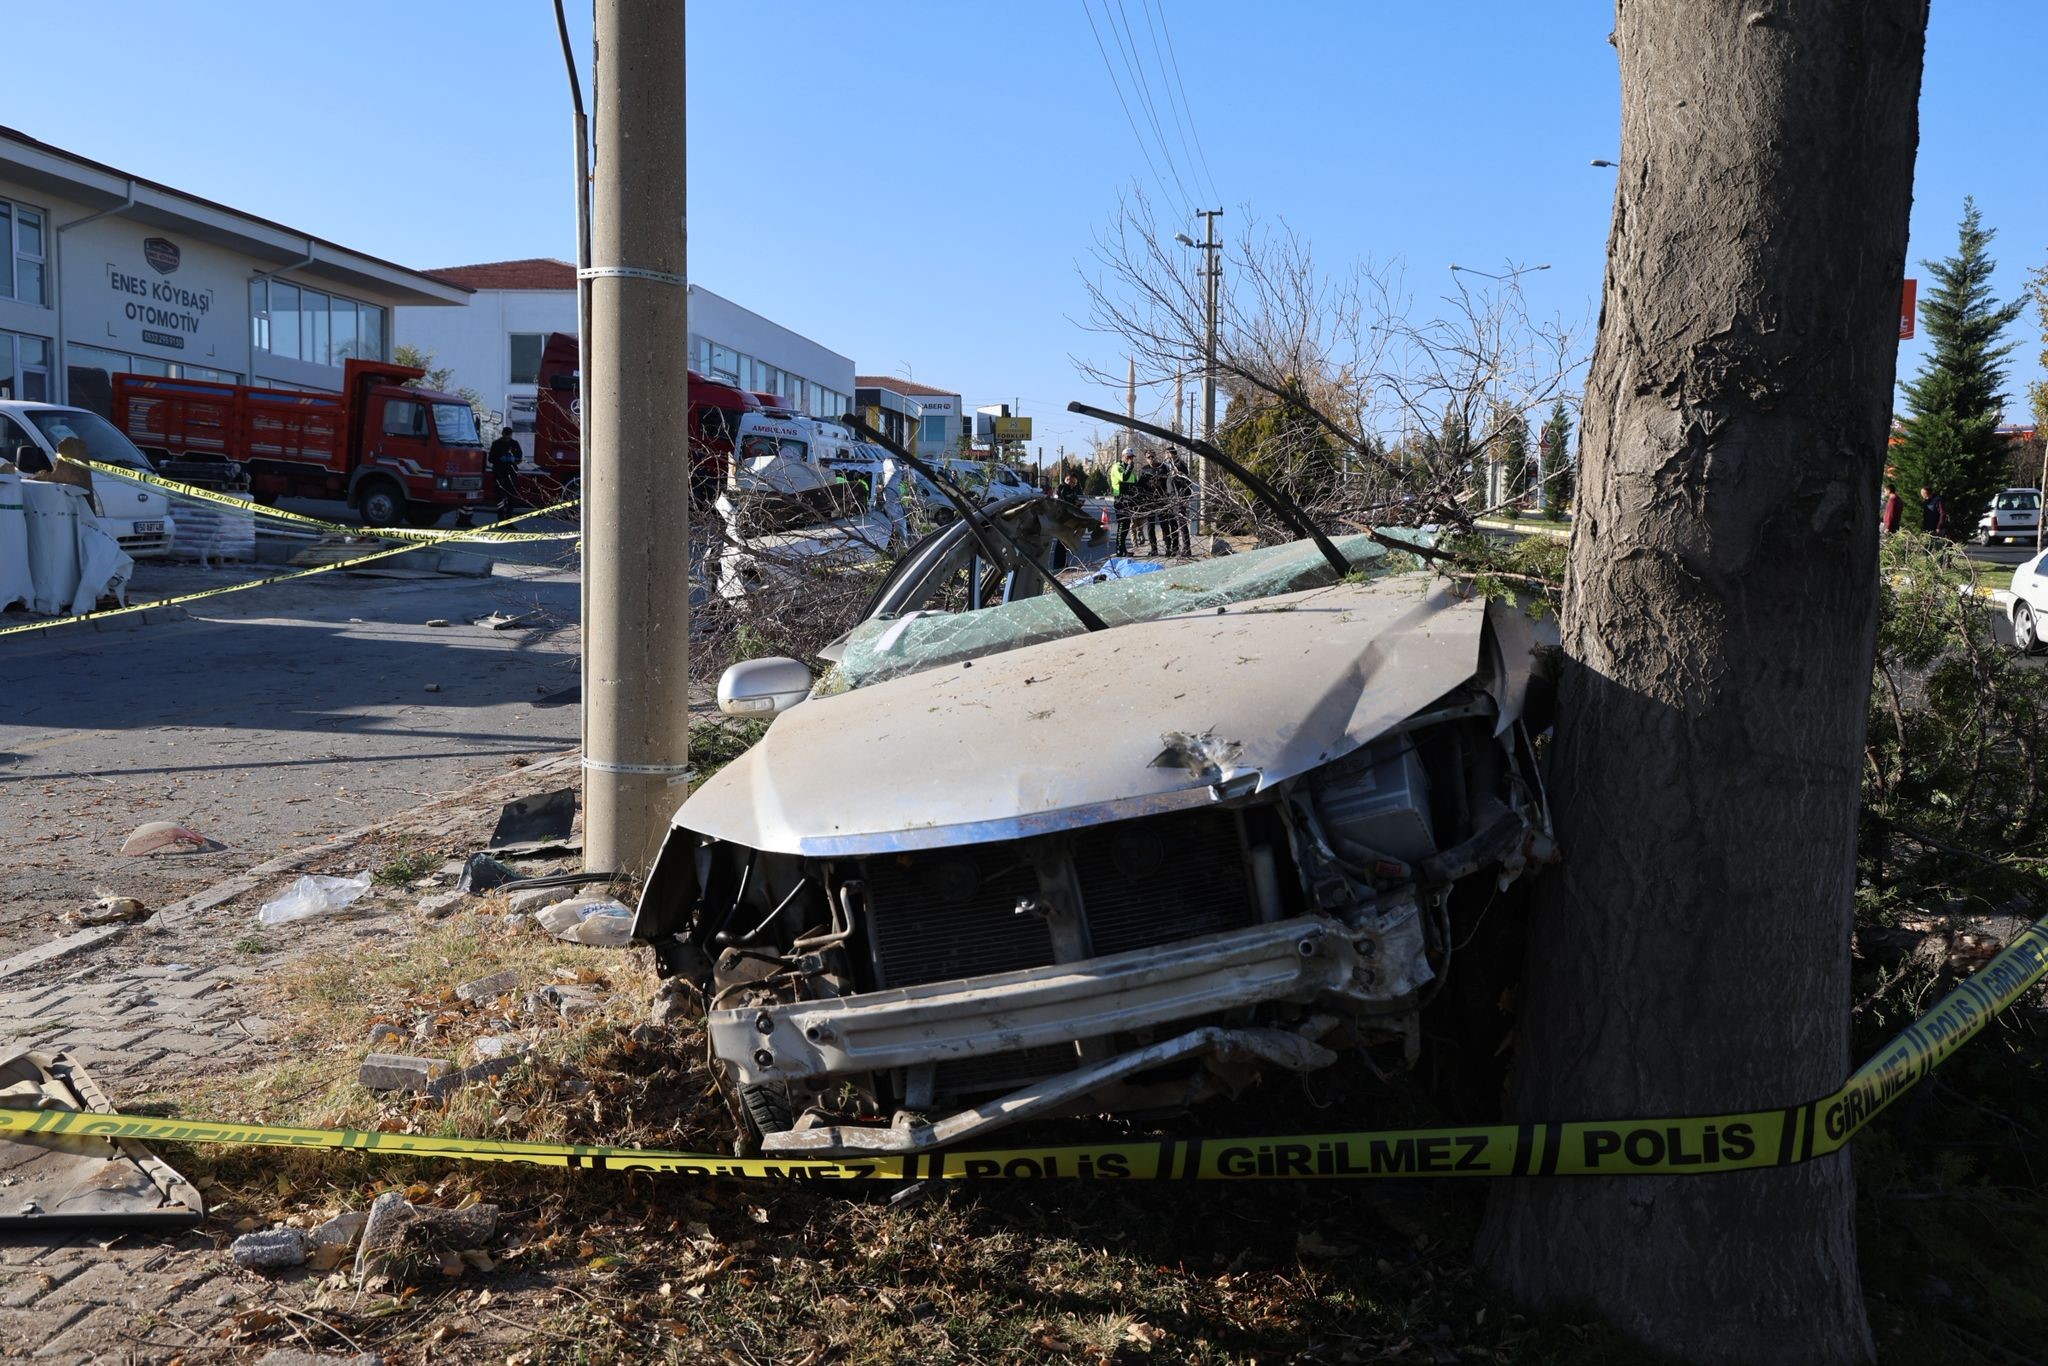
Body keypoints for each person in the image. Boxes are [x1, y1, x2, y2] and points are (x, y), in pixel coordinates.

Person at [488, 426, 524, 515]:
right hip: (499, 473)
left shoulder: (514, 444)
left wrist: (513, 459)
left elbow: (519, 458)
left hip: (511, 473)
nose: (507, 438)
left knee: (511, 497)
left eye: (508, 436)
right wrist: (500, 459)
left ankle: (508, 519)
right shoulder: (496, 444)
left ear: (511, 435)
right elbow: (491, 459)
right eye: (505, 435)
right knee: (500, 497)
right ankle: (501, 519)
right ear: (502, 434)